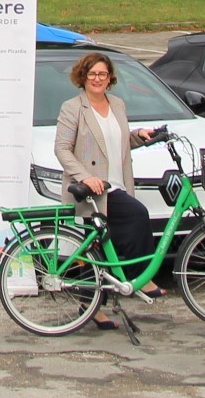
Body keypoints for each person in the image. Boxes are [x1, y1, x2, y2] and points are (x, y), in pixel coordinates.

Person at [53, 52, 162, 328]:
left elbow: (117, 142)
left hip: (118, 182)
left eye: (102, 74)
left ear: (110, 77)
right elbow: (62, 149)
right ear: (83, 77)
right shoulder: (73, 108)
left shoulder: (117, 104)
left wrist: (138, 136)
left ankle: (91, 309)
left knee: (97, 249)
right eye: (92, 74)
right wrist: (86, 177)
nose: (97, 79)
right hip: (93, 189)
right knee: (137, 215)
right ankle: (140, 275)